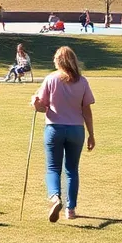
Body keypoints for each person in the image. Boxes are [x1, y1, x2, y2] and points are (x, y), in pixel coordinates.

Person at [31, 46, 96, 222]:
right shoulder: (82, 82)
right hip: (76, 130)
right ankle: (71, 209)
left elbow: (42, 107)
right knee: (72, 170)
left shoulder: (51, 79)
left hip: (54, 128)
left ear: (59, 61)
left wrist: (34, 103)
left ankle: (54, 197)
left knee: (53, 168)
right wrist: (91, 134)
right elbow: (87, 110)